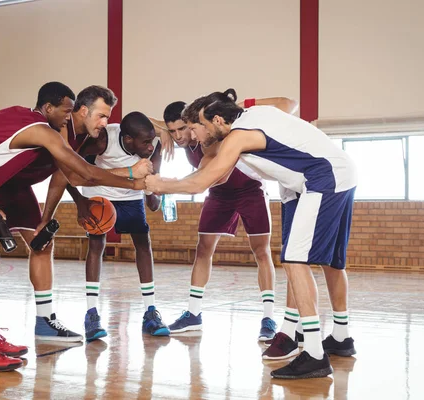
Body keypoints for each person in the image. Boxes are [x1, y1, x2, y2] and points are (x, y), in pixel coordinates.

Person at [0, 82, 149, 372]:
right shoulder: (42, 129)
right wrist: (134, 180)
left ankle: (22, 326)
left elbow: (66, 175)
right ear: (50, 109)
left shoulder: (52, 129)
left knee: (29, 246)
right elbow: (83, 174)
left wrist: (53, 213)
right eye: (67, 111)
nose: (69, 117)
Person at [145, 89, 358, 379]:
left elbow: (202, 183)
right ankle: (341, 336)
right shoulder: (252, 118)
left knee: (295, 260)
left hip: (322, 178)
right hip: (322, 177)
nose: (196, 135)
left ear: (218, 119)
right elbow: (213, 175)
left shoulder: (238, 136)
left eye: (199, 127)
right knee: (330, 260)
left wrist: (158, 185)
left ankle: (314, 354)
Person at [0, 86, 150, 344]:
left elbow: (60, 176)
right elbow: (81, 174)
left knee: (42, 245)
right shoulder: (58, 129)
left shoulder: (80, 137)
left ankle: (45, 321)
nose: (105, 122)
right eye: (101, 116)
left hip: (18, 189)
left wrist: (53, 214)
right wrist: (131, 175)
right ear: (82, 111)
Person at [158, 99, 279, 342]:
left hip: (249, 189)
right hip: (218, 194)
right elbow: (149, 121)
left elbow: (206, 175)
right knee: (203, 249)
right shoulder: (184, 139)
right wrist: (162, 131)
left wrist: (169, 184)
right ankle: (193, 314)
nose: (180, 136)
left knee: (261, 252)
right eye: (173, 131)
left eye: (184, 128)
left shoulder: (211, 136)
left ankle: (269, 317)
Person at [41, 111, 169, 340]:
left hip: (130, 196)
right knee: (96, 246)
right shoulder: (103, 140)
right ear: (129, 140)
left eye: (152, 141)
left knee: (143, 243)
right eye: (145, 143)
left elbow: (153, 203)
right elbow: (65, 168)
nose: (150, 147)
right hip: (100, 196)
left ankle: (151, 312)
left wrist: (154, 192)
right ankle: (91, 313)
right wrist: (80, 201)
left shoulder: (155, 145)